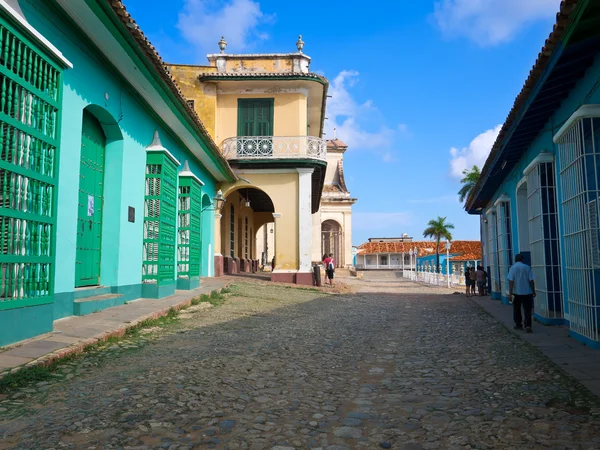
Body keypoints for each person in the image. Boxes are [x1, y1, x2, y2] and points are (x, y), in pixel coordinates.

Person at [507, 254, 536, 333]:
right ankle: (528, 325)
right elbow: (531, 280)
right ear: (522, 259)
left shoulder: (512, 268)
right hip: (527, 292)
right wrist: (533, 290)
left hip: (516, 293)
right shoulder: (527, 267)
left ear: (515, 260)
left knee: (517, 309)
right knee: (527, 310)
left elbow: (511, 281)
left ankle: (518, 324)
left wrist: (510, 293)